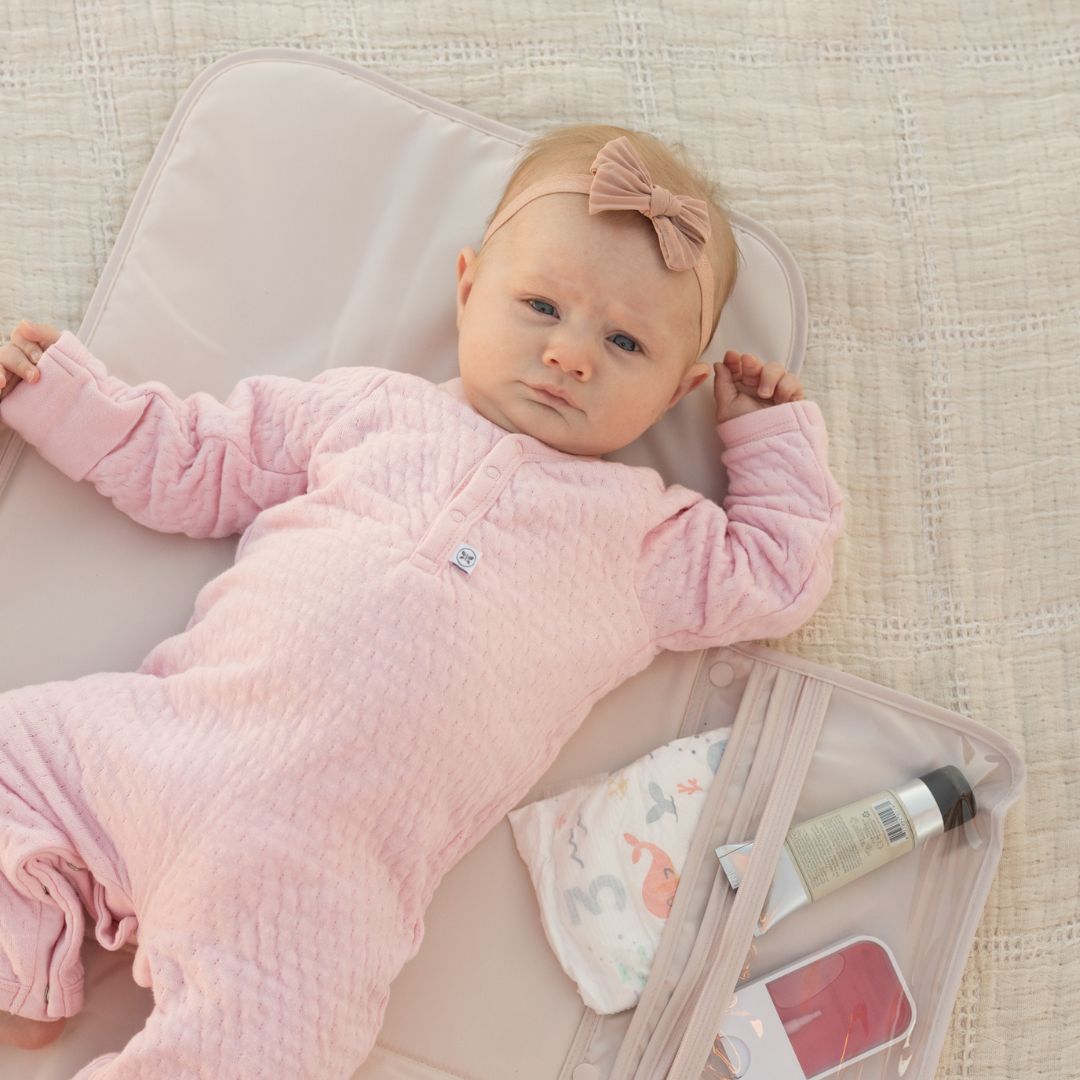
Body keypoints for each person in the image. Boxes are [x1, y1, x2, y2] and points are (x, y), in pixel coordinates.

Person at [0, 125, 842, 1076]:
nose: (570, 354)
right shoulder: (366, 409)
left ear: (678, 390)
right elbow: (196, 461)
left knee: (276, 1038)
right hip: (157, 744)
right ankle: (23, 964)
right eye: (541, 306)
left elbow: (777, 573)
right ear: (468, 288)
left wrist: (769, 437)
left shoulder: (645, 538)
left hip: (321, 878)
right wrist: (65, 402)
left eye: (624, 341)